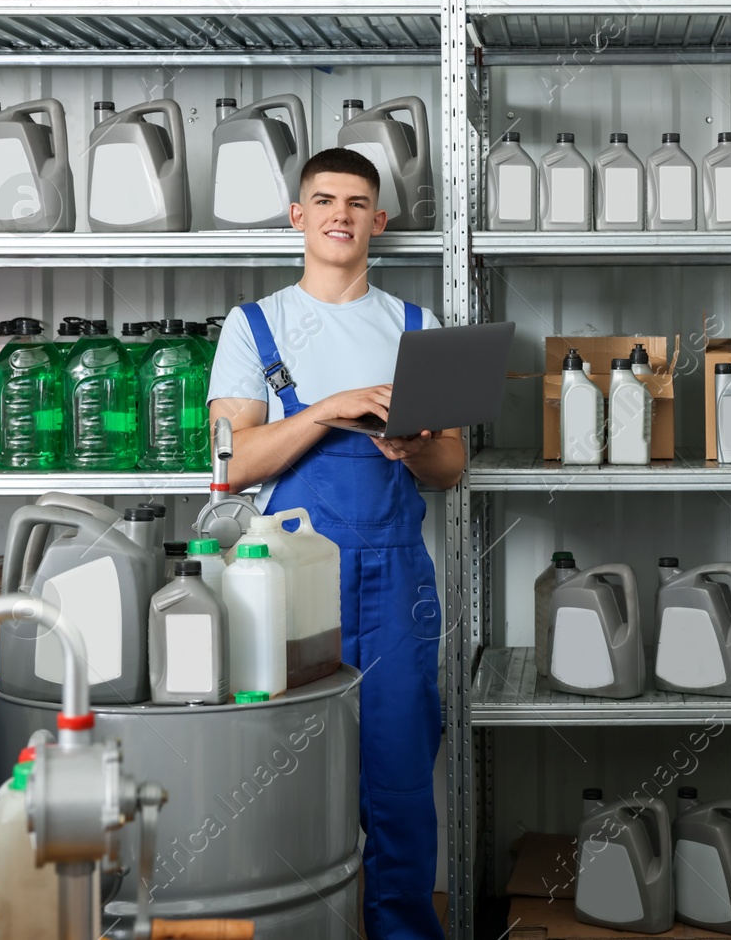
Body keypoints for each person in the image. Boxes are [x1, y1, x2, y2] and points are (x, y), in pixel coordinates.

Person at [208, 147, 460, 940]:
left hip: (396, 581)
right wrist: (328, 409)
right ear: (299, 216)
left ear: (378, 222)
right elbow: (230, 462)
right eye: (323, 200)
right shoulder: (253, 325)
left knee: (399, 785)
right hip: (287, 584)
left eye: (357, 202)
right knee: (282, 775)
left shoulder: (420, 326)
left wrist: (411, 444)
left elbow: (450, 466)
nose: (340, 214)